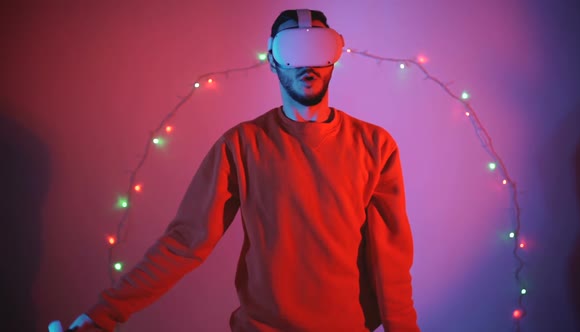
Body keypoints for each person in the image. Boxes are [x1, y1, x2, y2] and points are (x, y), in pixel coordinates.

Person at [55, 8, 420, 332]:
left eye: (319, 50)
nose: (307, 65)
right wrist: (101, 316)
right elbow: (184, 242)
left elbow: (391, 259)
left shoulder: (375, 145)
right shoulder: (241, 145)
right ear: (273, 59)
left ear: (334, 58)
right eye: (292, 51)